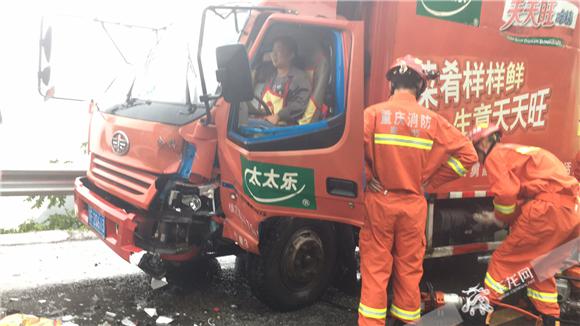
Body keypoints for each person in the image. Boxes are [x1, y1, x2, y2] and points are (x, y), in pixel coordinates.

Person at [359, 55, 478, 326]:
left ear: (391, 85)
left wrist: (367, 177)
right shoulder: (432, 121)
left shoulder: (373, 114)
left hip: (380, 201)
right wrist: (430, 183)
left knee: (376, 271)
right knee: (409, 271)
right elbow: (468, 155)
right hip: (413, 206)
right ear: (420, 88)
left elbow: (351, 150)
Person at [466, 124, 579, 326]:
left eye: (475, 149)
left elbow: (508, 194)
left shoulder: (496, 155)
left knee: (502, 262)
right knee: (540, 269)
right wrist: (499, 216)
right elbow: (535, 196)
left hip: (548, 212)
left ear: (483, 144)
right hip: (571, 213)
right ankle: (550, 320)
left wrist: (497, 218)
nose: (477, 156)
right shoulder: (519, 154)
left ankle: (477, 314)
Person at [259, 35, 314, 125]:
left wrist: (279, 116)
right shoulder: (271, 77)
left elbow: (300, 104)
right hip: (265, 123)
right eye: (273, 50)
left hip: (284, 129)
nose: (274, 54)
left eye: (279, 50)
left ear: (291, 55)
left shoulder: (299, 77)